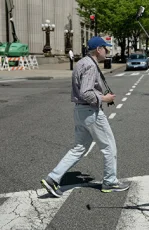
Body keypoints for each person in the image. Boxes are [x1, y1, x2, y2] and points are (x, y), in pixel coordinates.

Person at [41, 36, 130, 198]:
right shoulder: (90, 66)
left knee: (79, 148)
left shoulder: (81, 62)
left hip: (80, 111)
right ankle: (110, 181)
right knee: (109, 146)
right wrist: (105, 98)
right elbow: (86, 92)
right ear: (98, 49)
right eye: (106, 48)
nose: (107, 51)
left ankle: (53, 178)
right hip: (90, 111)